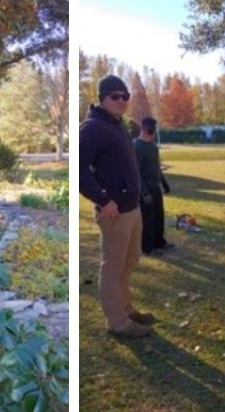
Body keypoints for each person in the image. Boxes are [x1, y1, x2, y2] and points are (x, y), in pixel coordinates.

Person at [78, 75, 154, 338]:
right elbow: (79, 171)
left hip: (132, 208)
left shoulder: (116, 124)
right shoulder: (92, 127)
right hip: (114, 212)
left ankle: (126, 309)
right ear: (102, 98)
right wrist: (102, 199)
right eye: (115, 96)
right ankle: (118, 323)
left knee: (129, 261)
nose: (121, 101)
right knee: (112, 268)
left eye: (125, 97)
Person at [133, 117, 173, 256]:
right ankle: (147, 247)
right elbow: (135, 172)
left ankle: (159, 242)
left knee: (158, 216)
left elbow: (157, 168)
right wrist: (144, 193)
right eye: (152, 129)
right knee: (148, 219)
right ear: (145, 129)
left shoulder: (153, 147)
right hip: (145, 190)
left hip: (156, 187)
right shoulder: (137, 147)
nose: (153, 132)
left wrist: (164, 183)